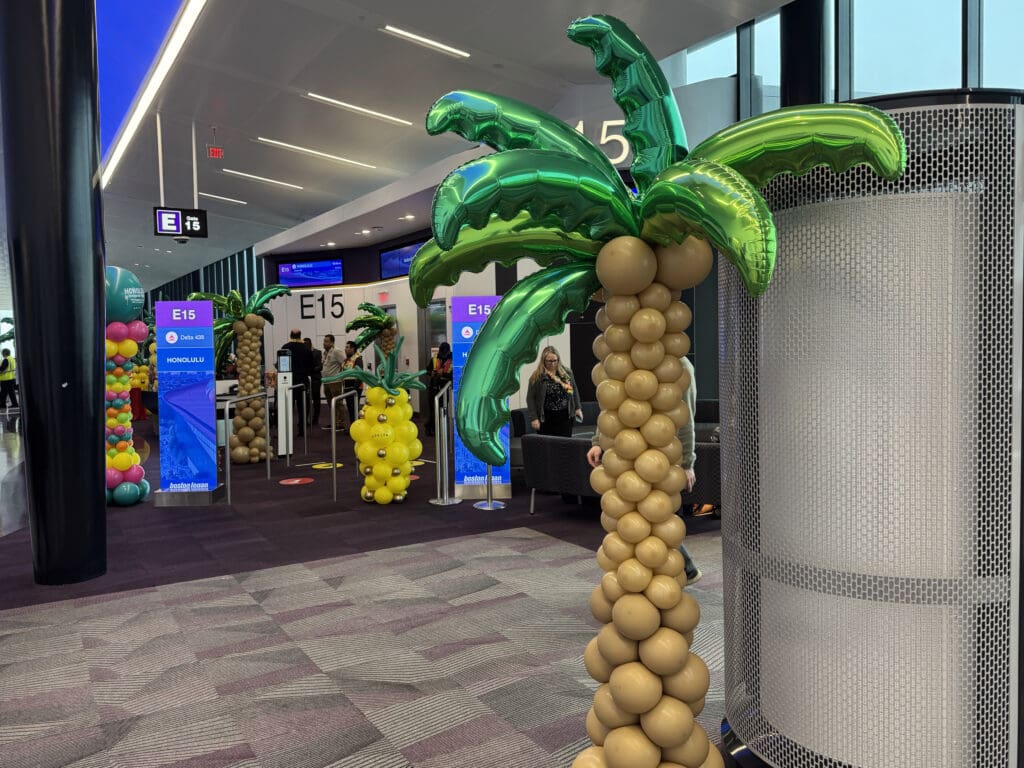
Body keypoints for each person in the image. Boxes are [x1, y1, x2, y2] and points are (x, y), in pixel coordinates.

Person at [587, 355, 701, 585]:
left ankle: (680, 571)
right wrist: (597, 441)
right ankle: (642, 574)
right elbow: (610, 408)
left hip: (663, 456)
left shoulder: (679, 366)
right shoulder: (623, 359)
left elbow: (685, 418)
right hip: (626, 455)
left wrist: (688, 463)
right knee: (629, 516)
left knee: (660, 516)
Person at [527, 346, 582, 437]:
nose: (552, 364)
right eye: (549, 361)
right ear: (543, 361)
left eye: (555, 360)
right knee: (548, 446)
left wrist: (578, 408)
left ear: (558, 360)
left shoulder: (565, 373)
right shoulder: (538, 376)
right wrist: (534, 418)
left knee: (564, 445)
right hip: (546, 417)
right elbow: (530, 398)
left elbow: (573, 390)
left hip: (565, 416)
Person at [279, 329, 313, 436]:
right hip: (302, 381)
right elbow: (310, 366)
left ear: (290, 335)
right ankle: (302, 429)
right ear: (300, 335)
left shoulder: (285, 347)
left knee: (288, 406)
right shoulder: (306, 348)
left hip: (288, 381)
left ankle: (287, 430)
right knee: (303, 406)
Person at [424, 342, 453, 437]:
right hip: (433, 387)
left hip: (445, 389)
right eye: (441, 352)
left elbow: (455, 375)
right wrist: (431, 372)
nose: (442, 354)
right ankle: (429, 428)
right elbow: (427, 370)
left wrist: (443, 374)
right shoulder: (435, 358)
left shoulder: (454, 359)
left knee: (442, 410)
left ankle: (440, 428)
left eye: (444, 352)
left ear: (448, 351)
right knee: (433, 410)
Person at [321, 334, 348, 431]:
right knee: (330, 404)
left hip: (335, 381)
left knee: (337, 403)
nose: (324, 343)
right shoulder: (325, 353)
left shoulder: (336, 351)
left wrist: (340, 376)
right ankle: (334, 422)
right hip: (326, 382)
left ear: (332, 342)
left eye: (326, 341)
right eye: (324, 341)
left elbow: (345, 363)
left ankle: (340, 424)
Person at [341, 341, 363, 424]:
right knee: (350, 408)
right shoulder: (346, 360)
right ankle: (352, 425)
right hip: (347, 386)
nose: (345, 349)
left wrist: (355, 388)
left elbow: (359, 374)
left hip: (355, 386)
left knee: (354, 408)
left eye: (347, 347)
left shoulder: (358, 359)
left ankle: (357, 426)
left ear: (353, 349)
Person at [304, 337, 322, 427]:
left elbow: (320, 366)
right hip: (306, 379)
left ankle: (315, 419)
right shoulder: (302, 353)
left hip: (315, 379)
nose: (306, 345)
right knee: (306, 400)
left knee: (316, 399)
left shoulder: (317, 352)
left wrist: (310, 369)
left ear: (310, 343)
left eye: (307, 343)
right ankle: (305, 420)